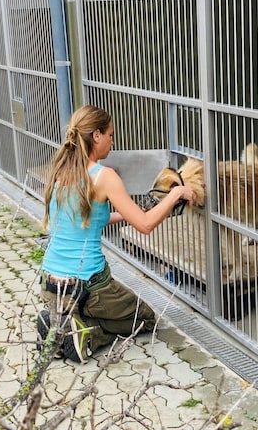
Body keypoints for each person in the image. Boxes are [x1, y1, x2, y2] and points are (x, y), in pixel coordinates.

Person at [37, 105, 196, 363]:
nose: (113, 141)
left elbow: (84, 221)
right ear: (96, 136)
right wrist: (176, 194)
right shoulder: (103, 176)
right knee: (144, 319)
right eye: (110, 134)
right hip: (87, 287)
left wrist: (128, 212)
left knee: (109, 308)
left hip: (51, 284)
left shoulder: (61, 170)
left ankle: (60, 326)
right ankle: (86, 334)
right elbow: (145, 225)